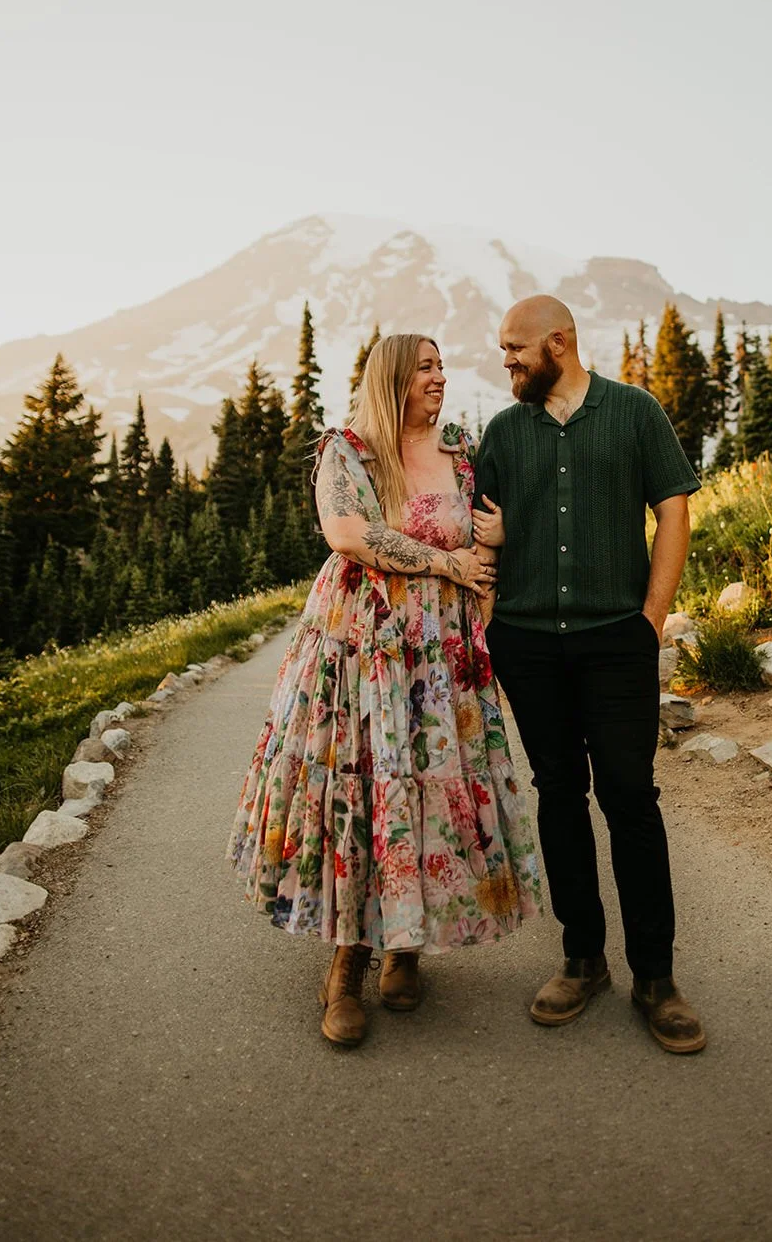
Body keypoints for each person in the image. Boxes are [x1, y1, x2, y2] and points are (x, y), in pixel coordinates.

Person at [228, 333, 541, 1047]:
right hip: (361, 652)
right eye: (425, 367)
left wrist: (491, 545)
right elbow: (348, 533)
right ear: (393, 377)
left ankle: (405, 945)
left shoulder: (463, 451)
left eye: (440, 363)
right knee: (366, 788)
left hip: (441, 655)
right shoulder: (350, 450)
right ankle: (346, 965)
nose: (440, 376)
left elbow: (481, 543)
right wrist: (450, 563)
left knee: (428, 787)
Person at [472, 295, 706, 1054]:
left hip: (617, 640)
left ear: (560, 344)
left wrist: (652, 618)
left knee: (631, 798)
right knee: (559, 796)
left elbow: (674, 509)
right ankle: (582, 960)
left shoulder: (636, 412)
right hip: (529, 644)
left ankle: (656, 978)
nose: (506, 361)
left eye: (515, 349)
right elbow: (480, 537)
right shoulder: (504, 433)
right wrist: (492, 572)